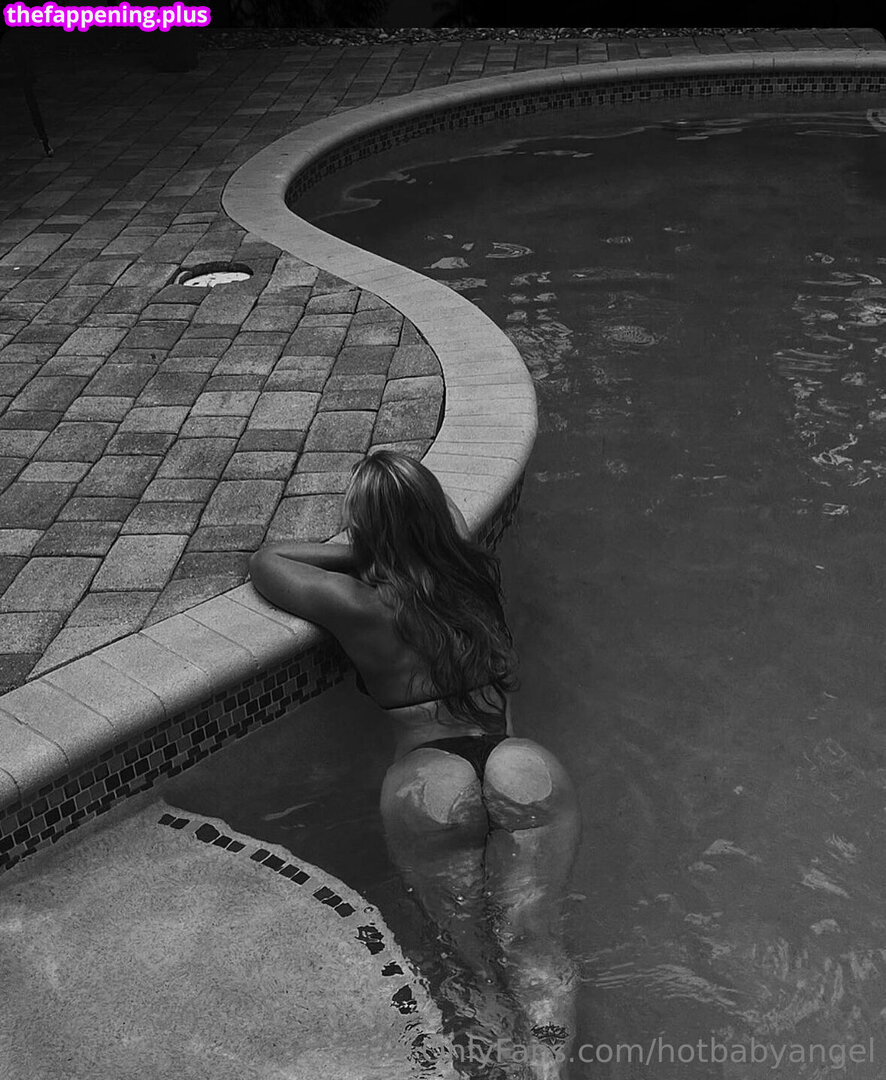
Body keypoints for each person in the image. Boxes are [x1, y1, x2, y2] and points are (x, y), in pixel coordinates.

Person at [249, 450, 580, 1079]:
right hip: (521, 766)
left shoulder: (358, 603)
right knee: (534, 943)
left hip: (432, 781)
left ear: (365, 528)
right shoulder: (475, 576)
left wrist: (366, 553)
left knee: (469, 958)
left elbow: (267, 562)